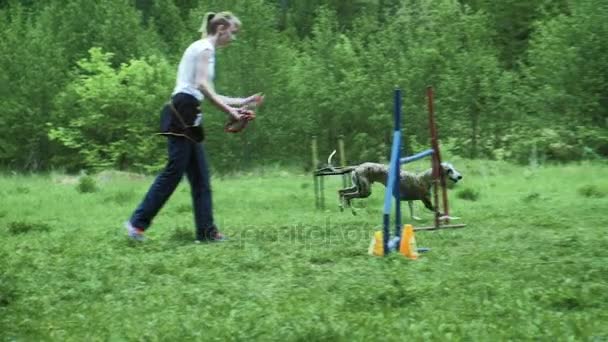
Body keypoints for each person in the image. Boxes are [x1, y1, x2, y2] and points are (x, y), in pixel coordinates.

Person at [125, 11, 263, 242]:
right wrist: (230, 112)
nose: (233, 38)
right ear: (221, 28)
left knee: (200, 177)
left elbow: (206, 91)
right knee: (173, 172)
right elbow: (201, 86)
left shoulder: (201, 48)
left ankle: (206, 233)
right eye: (233, 32)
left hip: (187, 110)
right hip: (184, 111)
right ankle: (136, 225)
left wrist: (242, 102)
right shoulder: (205, 49)